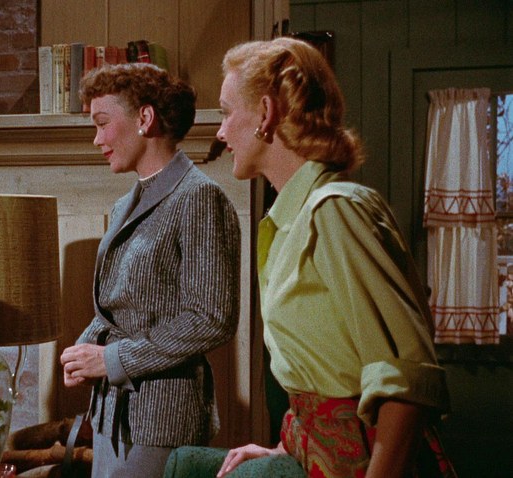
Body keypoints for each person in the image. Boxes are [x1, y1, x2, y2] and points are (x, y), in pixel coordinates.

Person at [214, 37, 455, 477]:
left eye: (227, 113)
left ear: (265, 114)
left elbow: (404, 381)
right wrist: (286, 449)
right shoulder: (292, 219)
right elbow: (326, 376)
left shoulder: (335, 211)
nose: (221, 131)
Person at [59, 62, 241, 478]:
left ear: (145, 118)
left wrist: (112, 359)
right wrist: (85, 350)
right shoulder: (124, 204)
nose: (97, 139)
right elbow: (121, 305)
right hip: (110, 415)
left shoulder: (199, 198)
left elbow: (212, 318)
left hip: (162, 419)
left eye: (103, 123)